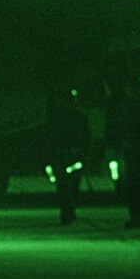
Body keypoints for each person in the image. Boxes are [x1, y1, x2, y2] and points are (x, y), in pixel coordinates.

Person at [104, 47, 140, 229]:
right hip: (130, 151)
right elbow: (115, 128)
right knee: (129, 185)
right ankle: (137, 214)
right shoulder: (125, 106)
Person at [45, 81, 90, 224]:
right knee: (65, 185)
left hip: (70, 155)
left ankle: (68, 210)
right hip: (64, 155)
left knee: (69, 184)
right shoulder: (59, 119)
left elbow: (86, 138)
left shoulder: (76, 119)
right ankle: (67, 210)